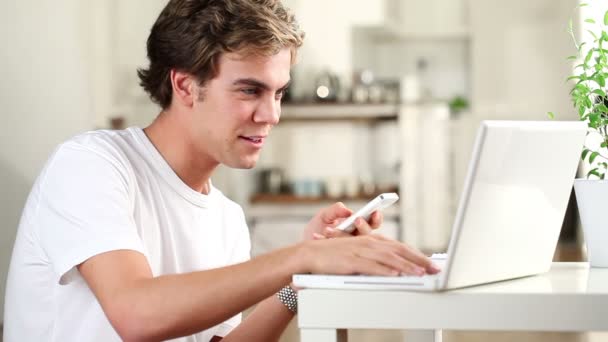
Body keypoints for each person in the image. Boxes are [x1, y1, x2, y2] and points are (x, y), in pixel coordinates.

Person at [3, 0, 439, 341]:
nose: (271, 114)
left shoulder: (227, 217)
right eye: (250, 90)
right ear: (186, 85)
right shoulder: (92, 165)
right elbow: (136, 315)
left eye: (279, 93)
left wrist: (302, 280)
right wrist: (300, 255)